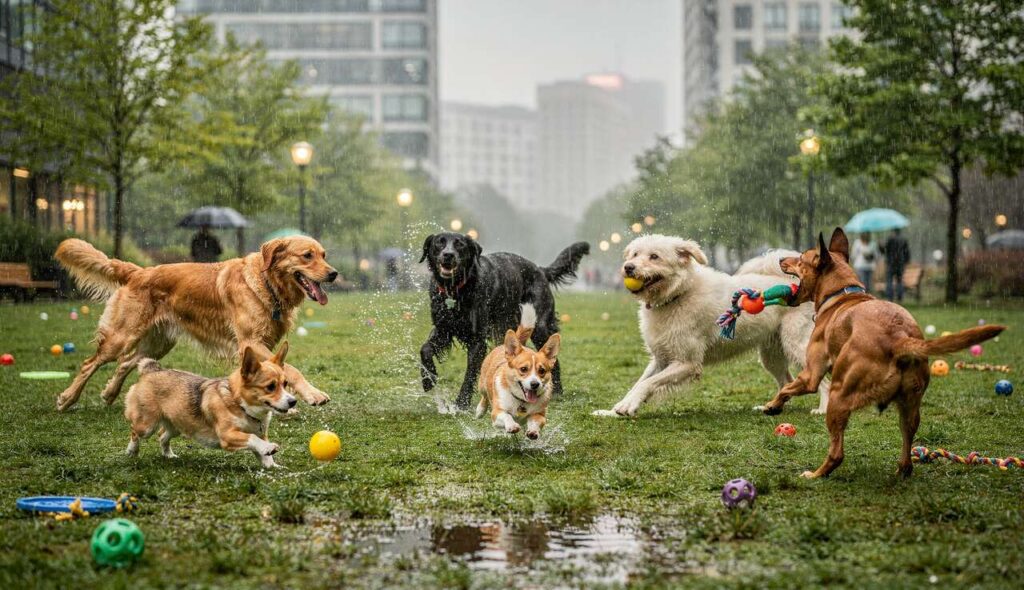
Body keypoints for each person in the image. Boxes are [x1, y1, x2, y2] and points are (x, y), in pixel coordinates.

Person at [882, 228, 911, 302]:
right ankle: (899, 297)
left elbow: (885, 251)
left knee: (889, 280)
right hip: (900, 264)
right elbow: (907, 252)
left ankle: (890, 297)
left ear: (893, 231)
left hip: (891, 263)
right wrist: (906, 261)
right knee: (899, 281)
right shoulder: (903, 240)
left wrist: (880, 246)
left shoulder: (890, 239)